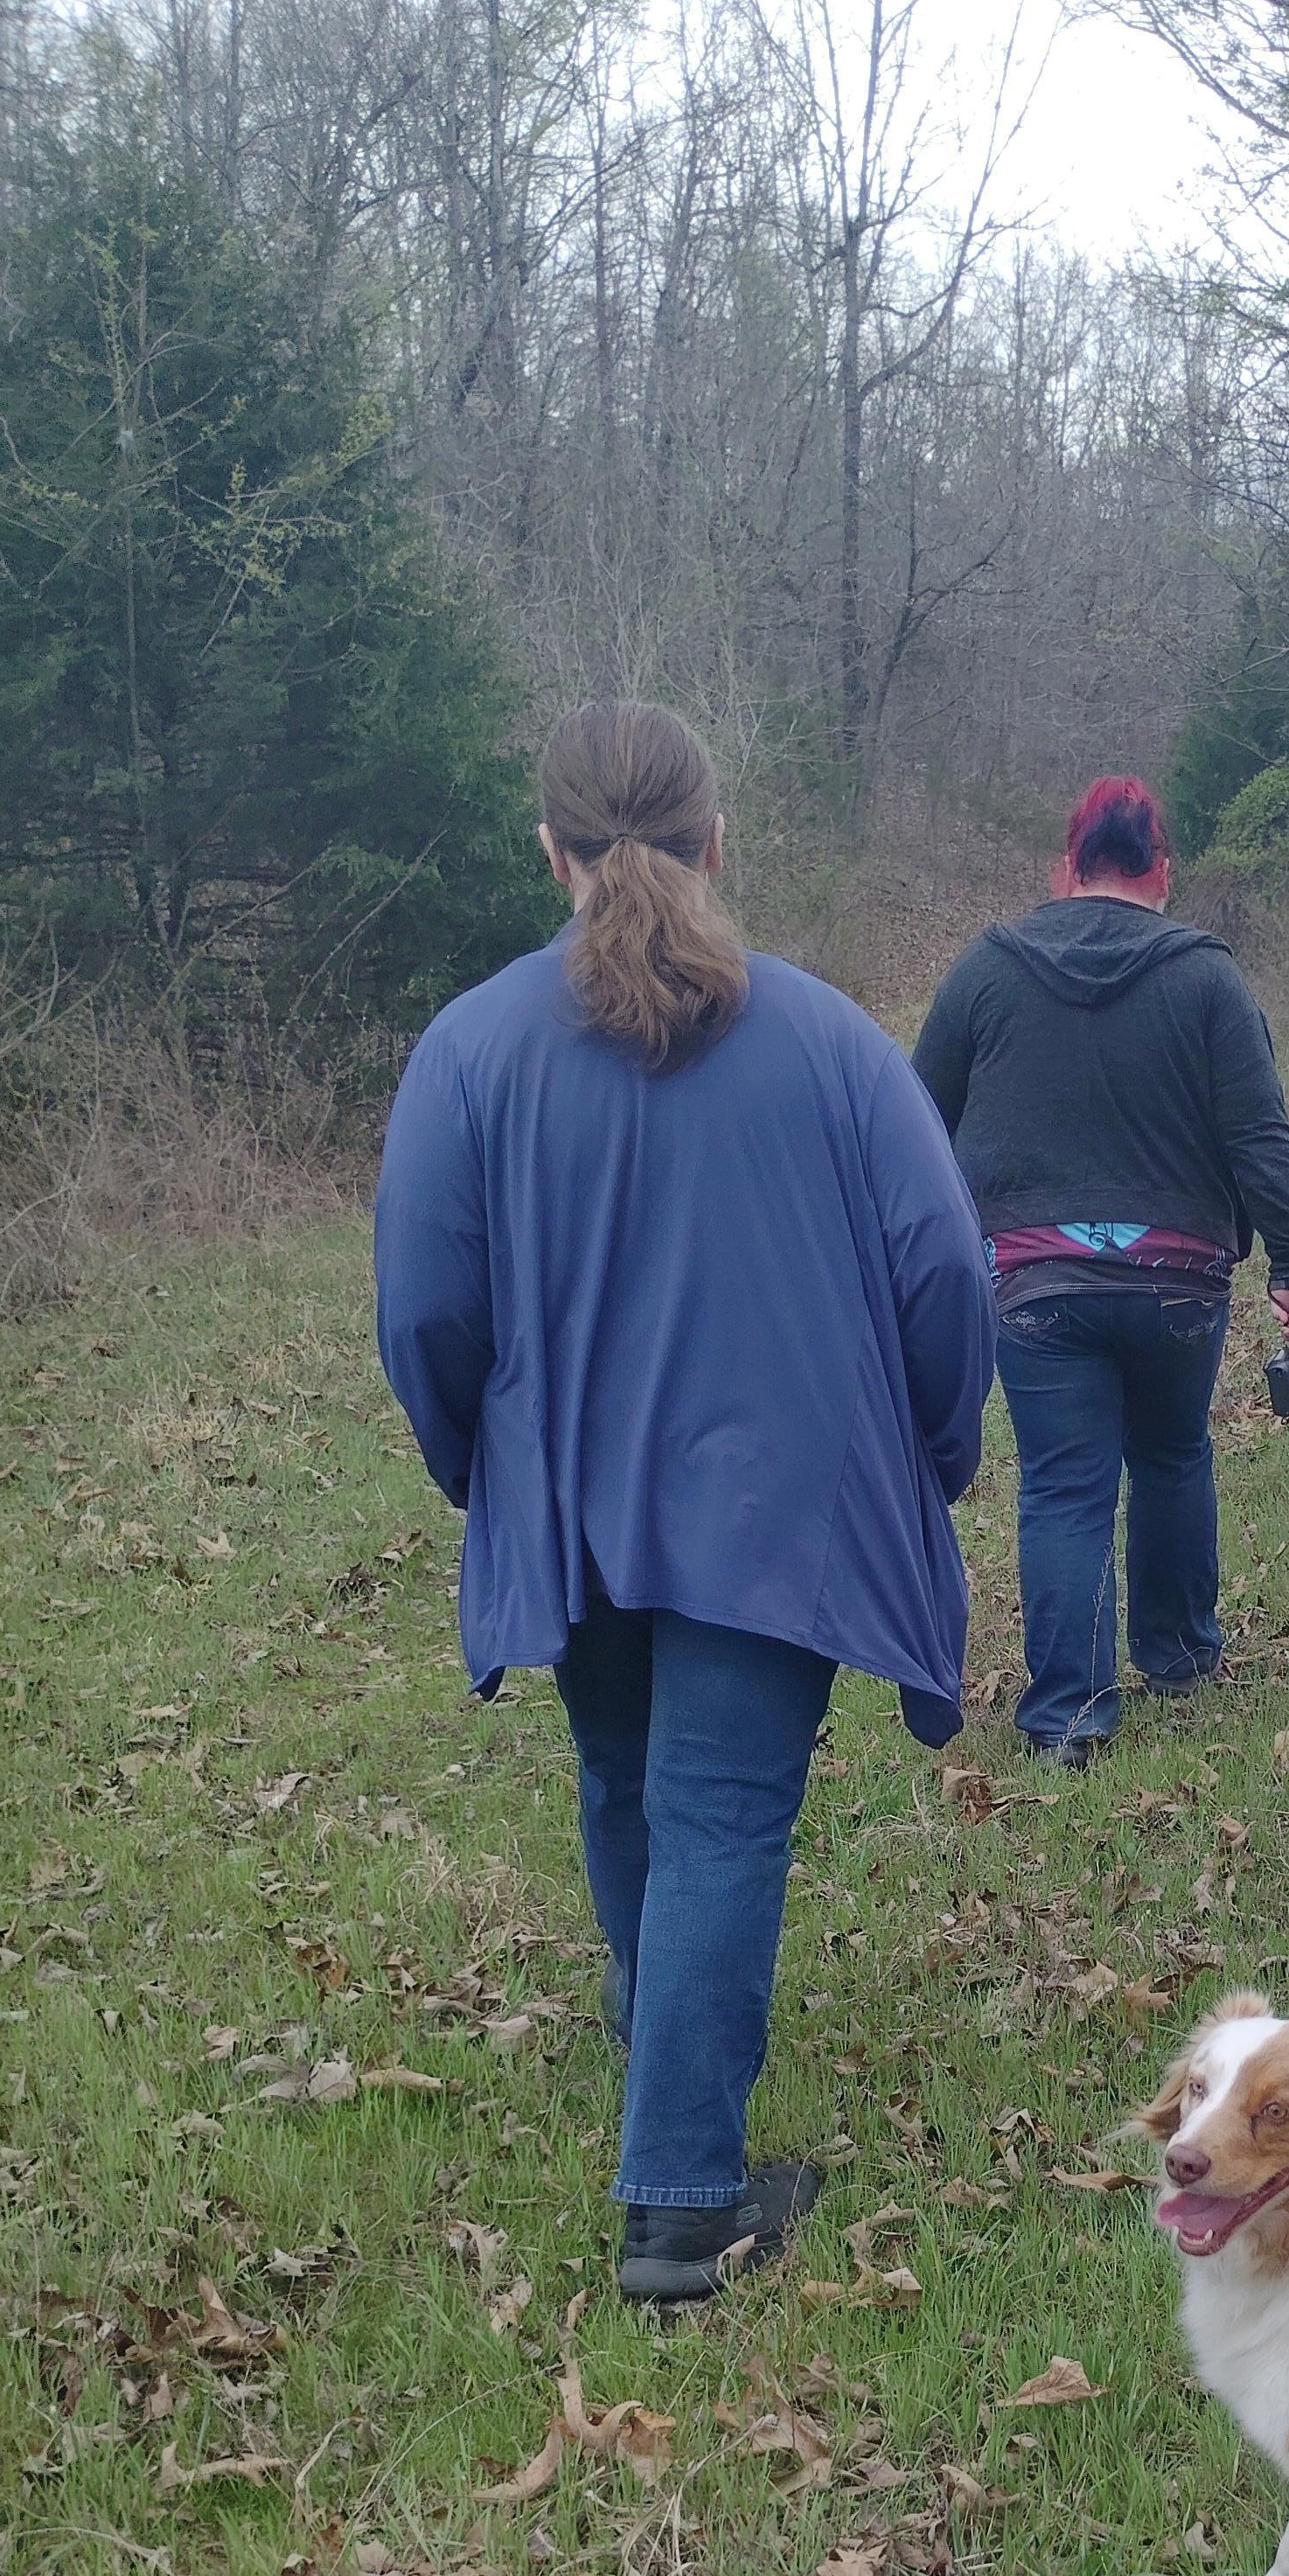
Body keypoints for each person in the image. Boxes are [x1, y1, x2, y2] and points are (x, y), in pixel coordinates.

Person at [374, 700, 995, 2308]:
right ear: (718, 841)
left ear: (552, 853)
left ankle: (666, 2055)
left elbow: (427, 1308)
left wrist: (479, 1467)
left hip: (578, 1507)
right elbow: (945, 1271)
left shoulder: (470, 1050)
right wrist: (933, 1454)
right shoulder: (835, 1043)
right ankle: (680, 2210)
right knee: (713, 1816)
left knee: (627, 1784)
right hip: (776, 1512)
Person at [911, 776, 1289, 1766]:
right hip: (1179, 1278)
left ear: (1066, 865)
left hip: (1036, 1280)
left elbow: (916, 1119)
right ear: (1162, 870)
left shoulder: (989, 970)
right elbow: (1258, 1131)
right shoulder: (1208, 977)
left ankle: (1068, 1717)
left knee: (1065, 1485)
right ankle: (1179, 1657)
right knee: (1173, 1452)